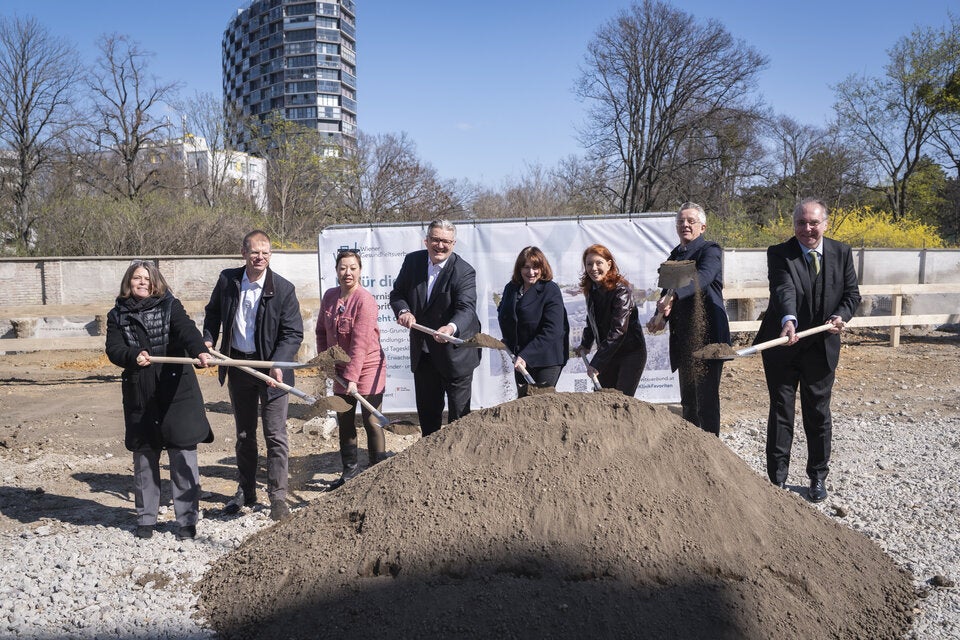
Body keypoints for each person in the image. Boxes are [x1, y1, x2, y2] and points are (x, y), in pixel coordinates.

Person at [756, 198, 861, 502]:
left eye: (813, 222)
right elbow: (782, 288)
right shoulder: (779, 253)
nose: (807, 229)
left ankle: (817, 476)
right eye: (801, 223)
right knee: (781, 412)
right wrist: (789, 318)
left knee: (817, 413)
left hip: (822, 347)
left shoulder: (841, 253)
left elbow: (852, 295)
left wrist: (842, 315)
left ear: (825, 224)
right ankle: (776, 480)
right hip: (783, 345)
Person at [105, 260, 213, 541]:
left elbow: (187, 330)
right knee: (144, 458)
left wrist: (200, 351)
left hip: (176, 390)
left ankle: (187, 521)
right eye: (136, 278)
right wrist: (132, 356)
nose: (142, 282)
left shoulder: (170, 305)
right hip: (141, 392)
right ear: (128, 283)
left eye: (147, 278)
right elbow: (113, 349)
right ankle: (145, 519)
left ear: (156, 283)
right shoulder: (117, 314)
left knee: (183, 457)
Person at [203, 230, 303, 521]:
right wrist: (208, 340)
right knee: (244, 434)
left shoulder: (283, 289)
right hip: (237, 365)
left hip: (273, 371)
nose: (260, 257)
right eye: (254, 252)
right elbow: (212, 313)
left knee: (275, 434)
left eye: (265, 252)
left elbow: (293, 333)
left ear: (270, 255)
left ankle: (278, 497)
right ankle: (246, 491)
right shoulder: (228, 281)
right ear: (243, 253)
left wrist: (279, 363)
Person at [389, 219, 481, 436]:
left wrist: (450, 328)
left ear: (454, 243)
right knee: (429, 419)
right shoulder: (413, 262)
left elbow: (466, 309)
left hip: (455, 356)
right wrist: (403, 311)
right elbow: (397, 293)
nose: (440, 246)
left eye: (446, 241)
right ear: (426, 240)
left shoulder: (464, 271)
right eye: (436, 240)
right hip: (424, 354)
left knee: (460, 421)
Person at [647, 203, 731, 436]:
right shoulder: (675, 255)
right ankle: (693, 451)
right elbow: (667, 293)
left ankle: (712, 449)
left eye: (690, 221)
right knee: (689, 401)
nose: (685, 225)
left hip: (709, 337)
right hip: (684, 337)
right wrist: (660, 317)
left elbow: (702, 277)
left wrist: (673, 297)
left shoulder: (710, 250)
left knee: (706, 399)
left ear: (702, 226)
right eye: (681, 221)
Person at [316, 249, 387, 489]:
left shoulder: (365, 300)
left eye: (353, 268)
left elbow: (360, 344)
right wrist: (326, 362)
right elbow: (321, 332)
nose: (348, 273)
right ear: (336, 271)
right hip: (339, 369)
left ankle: (378, 475)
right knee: (344, 419)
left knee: (371, 420)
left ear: (360, 271)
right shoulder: (329, 297)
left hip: (367, 367)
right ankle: (350, 473)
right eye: (343, 268)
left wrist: (353, 378)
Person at [574, 244, 647, 395]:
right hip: (608, 353)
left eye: (598, 263)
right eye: (589, 264)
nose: (593, 268)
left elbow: (618, 330)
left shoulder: (621, 290)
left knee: (621, 399)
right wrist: (586, 344)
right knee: (602, 398)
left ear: (609, 264)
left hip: (629, 353)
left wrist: (597, 362)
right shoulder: (591, 289)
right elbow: (592, 319)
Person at [497, 246, 569, 396]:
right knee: (524, 402)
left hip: (546, 358)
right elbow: (504, 314)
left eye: (536, 267)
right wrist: (508, 340)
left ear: (543, 268)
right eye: (526, 267)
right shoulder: (511, 288)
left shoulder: (550, 290)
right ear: (519, 268)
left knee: (541, 403)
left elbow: (553, 329)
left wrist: (526, 355)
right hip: (519, 356)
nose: (531, 272)